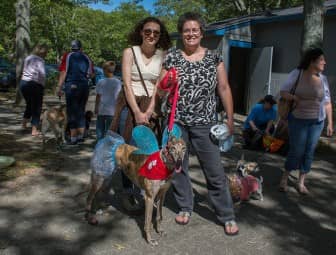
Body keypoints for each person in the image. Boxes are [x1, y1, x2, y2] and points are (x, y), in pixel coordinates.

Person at [158, 12, 238, 235]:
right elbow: (160, 89)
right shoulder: (172, 57)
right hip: (177, 122)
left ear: (202, 32)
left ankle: (226, 214)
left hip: (205, 123)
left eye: (195, 30)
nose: (191, 34)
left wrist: (230, 121)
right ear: (181, 33)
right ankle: (185, 206)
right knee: (177, 166)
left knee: (213, 169)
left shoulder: (214, 57)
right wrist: (166, 83)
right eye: (186, 30)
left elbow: (223, 89)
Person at [109, 17, 171, 212]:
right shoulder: (129, 52)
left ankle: (146, 189)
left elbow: (158, 88)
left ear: (160, 36)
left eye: (156, 32)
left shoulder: (163, 55)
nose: (151, 35)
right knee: (128, 150)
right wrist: (136, 112)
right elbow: (126, 83)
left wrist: (150, 110)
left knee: (149, 150)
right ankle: (127, 192)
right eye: (148, 31)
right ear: (141, 32)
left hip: (151, 105)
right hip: (130, 103)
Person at [279, 48, 333, 194]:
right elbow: (283, 92)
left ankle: (301, 182)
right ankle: (285, 177)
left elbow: (327, 102)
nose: (325, 62)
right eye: (321, 59)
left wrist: (330, 124)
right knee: (297, 150)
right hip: (298, 119)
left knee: (309, 151)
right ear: (312, 61)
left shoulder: (323, 79)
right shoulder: (297, 74)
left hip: (317, 121)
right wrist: (294, 97)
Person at [56, 40, 94, 145]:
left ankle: (73, 138)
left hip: (72, 85)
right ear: (81, 48)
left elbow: (63, 72)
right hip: (84, 86)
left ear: (72, 47)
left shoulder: (67, 56)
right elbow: (91, 74)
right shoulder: (87, 57)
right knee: (81, 110)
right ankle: (80, 137)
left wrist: (59, 87)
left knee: (72, 111)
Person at [20, 43, 48, 136]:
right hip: (34, 85)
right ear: (43, 51)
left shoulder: (28, 58)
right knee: (37, 107)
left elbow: (24, 70)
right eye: (46, 52)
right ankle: (34, 130)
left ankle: (24, 124)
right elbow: (42, 74)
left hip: (23, 83)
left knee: (29, 104)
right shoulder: (40, 60)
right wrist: (43, 86)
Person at [94, 61, 122, 140]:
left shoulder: (100, 82)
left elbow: (98, 96)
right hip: (112, 110)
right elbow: (118, 97)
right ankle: (109, 146)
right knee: (110, 130)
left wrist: (96, 108)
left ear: (105, 70)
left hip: (102, 109)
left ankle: (100, 144)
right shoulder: (117, 82)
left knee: (100, 129)